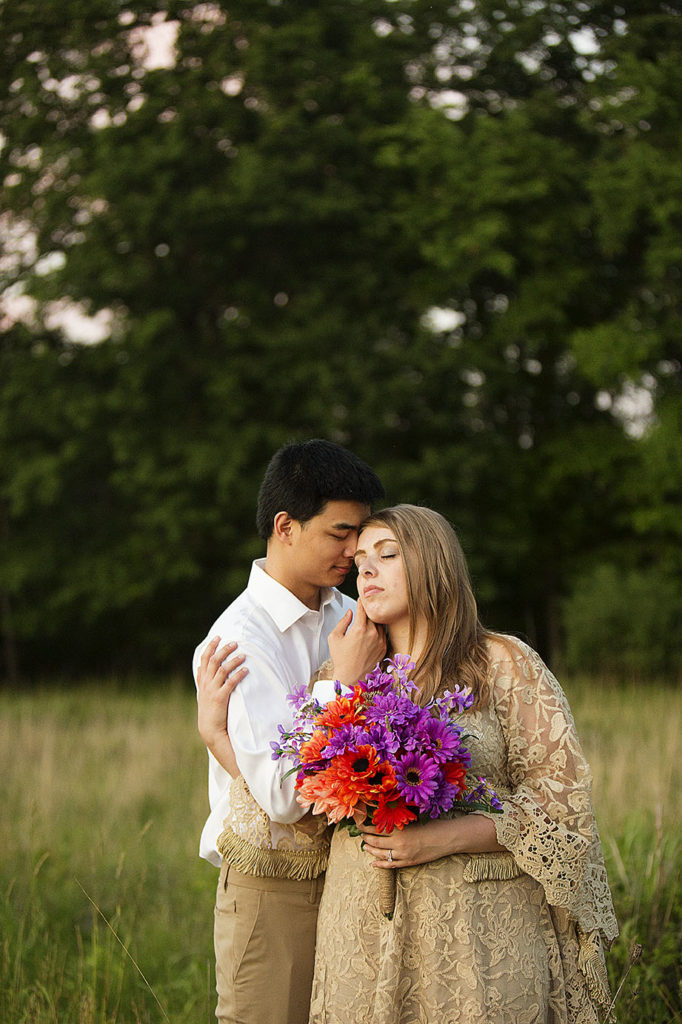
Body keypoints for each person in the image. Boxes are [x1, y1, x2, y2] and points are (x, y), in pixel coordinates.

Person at [307, 504, 618, 1024]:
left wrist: (444, 837)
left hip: (479, 930)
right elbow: (306, 800)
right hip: (362, 922)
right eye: (360, 559)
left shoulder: (501, 662)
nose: (366, 570)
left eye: (387, 555)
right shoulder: (342, 669)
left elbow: (561, 799)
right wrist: (342, 685)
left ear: (434, 565)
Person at [193, 439, 385, 1024]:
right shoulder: (239, 639)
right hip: (271, 887)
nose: (355, 551)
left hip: (354, 877)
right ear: (285, 526)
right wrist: (346, 683)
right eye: (339, 533)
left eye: (361, 534)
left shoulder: (350, 613)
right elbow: (281, 796)